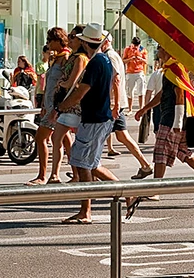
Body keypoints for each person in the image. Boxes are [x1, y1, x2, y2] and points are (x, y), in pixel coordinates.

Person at [58, 23, 135, 224]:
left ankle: (86, 211)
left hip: (95, 119)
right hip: (99, 118)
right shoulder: (104, 60)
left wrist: (61, 106)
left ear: (85, 43)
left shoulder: (95, 63)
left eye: (80, 39)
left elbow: (81, 91)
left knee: (82, 163)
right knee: (90, 164)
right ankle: (126, 193)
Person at [134, 47, 194, 188]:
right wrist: (145, 108)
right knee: (184, 152)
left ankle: (155, 189)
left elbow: (180, 94)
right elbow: (162, 93)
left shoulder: (174, 68)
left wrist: (178, 122)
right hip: (171, 118)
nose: (157, 51)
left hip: (171, 119)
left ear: (167, 51)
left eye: (160, 48)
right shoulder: (169, 69)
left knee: (160, 152)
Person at [102, 37, 153, 179]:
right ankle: (145, 164)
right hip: (116, 103)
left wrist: (115, 104)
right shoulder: (116, 54)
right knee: (122, 135)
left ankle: (90, 171)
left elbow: (116, 80)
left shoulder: (109, 56)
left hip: (112, 104)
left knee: (98, 135)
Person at [28, 31, 71, 186]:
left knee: (41, 138)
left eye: (49, 40)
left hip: (56, 107)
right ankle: (72, 173)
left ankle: (43, 175)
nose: (47, 44)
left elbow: (67, 83)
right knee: (64, 140)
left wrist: (56, 106)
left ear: (57, 40)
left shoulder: (65, 58)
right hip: (50, 105)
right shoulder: (56, 58)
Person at [49, 25, 89, 183]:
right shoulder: (74, 56)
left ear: (80, 39)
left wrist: (61, 83)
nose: (69, 39)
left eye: (72, 37)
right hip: (67, 105)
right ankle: (60, 174)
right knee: (60, 138)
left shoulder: (80, 58)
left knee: (72, 141)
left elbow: (74, 81)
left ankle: (78, 174)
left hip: (74, 106)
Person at [122, 37, 148, 112]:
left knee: (141, 91)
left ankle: (141, 108)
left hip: (139, 72)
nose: (136, 47)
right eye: (135, 45)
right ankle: (130, 109)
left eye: (137, 45)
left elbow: (146, 61)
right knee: (130, 91)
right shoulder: (127, 49)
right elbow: (123, 61)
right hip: (130, 72)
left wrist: (141, 59)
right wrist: (130, 59)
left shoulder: (143, 50)